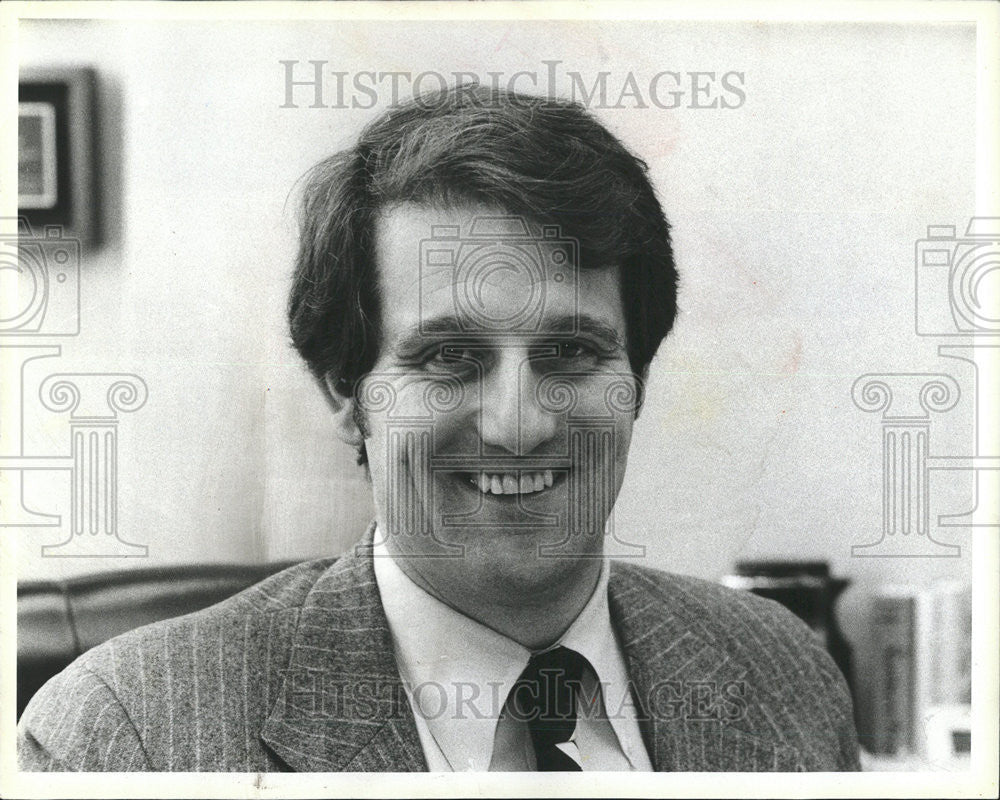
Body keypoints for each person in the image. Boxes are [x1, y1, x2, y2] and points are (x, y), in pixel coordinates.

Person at [18, 84, 860, 772]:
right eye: (451, 356)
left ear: (635, 379)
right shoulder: (125, 738)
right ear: (348, 391)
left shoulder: (783, 674)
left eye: (571, 350)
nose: (519, 423)